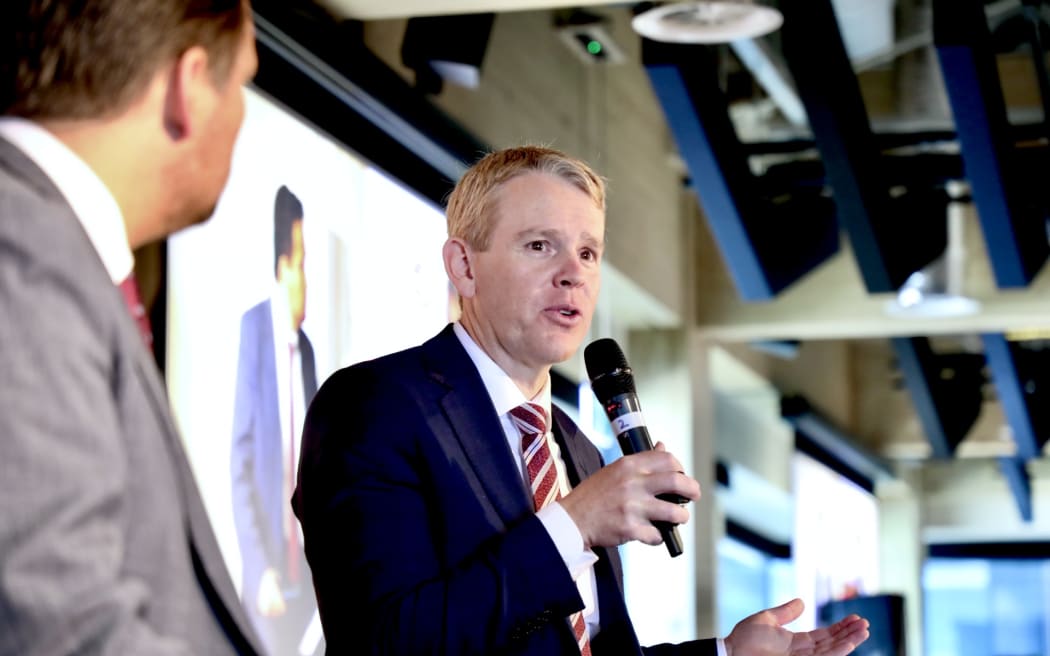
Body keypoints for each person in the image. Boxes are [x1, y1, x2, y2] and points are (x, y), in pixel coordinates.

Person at [293, 145, 871, 655]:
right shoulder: (374, 406)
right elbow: (385, 640)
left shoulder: (576, 449)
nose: (573, 274)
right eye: (540, 246)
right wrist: (573, 524)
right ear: (463, 267)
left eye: (588, 253)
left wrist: (726, 654)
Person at [0, 1, 263, 654]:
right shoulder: (22, 245)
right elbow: (59, 624)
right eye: (244, 85)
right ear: (190, 86)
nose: (242, 114)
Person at [232, 184, 321, 655]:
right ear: (283, 267)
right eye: (304, 266)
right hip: (267, 581)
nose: (308, 280)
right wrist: (257, 565)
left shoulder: (306, 351)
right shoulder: (253, 330)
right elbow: (240, 461)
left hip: (306, 580)